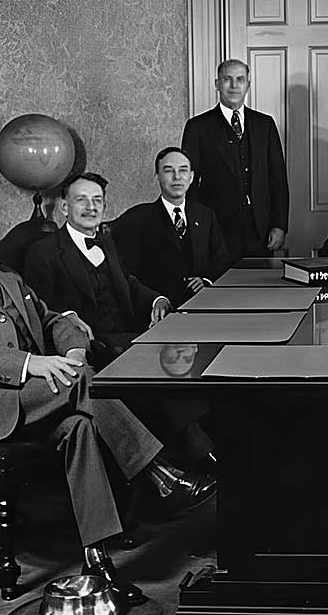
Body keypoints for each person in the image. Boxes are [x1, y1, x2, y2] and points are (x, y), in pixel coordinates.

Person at [0, 190, 216, 607]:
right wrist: (31, 363)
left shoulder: (6, 276)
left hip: (39, 398)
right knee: (82, 384)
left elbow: (54, 320)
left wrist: (74, 352)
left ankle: (97, 563)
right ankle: (159, 474)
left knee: (80, 425)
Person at [25, 172, 216, 470]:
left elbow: (129, 283)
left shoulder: (107, 242)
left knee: (183, 352)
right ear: (64, 207)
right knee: (150, 364)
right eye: (81, 200)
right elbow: (39, 310)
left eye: (97, 200)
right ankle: (195, 457)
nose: (91, 207)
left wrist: (157, 300)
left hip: (128, 332)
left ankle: (194, 450)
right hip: (93, 346)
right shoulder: (43, 252)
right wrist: (68, 316)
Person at [181, 59, 289, 261]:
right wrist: (196, 227)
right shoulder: (197, 127)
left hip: (261, 229)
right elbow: (190, 183)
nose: (233, 86)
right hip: (216, 228)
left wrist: (279, 225)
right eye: (227, 79)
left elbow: (278, 180)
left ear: (248, 84)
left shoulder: (265, 125)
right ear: (217, 84)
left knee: (260, 281)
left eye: (240, 79)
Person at [110, 149, 231, 308]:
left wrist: (206, 281)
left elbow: (221, 261)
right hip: (156, 310)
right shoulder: (137, 218)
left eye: (183, 170)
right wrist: (154, 300)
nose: (177, 177)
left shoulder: (206, 216)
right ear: (157, 177)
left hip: (203, 305)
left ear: (191, 177)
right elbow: (124, 272)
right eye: (168, 171)